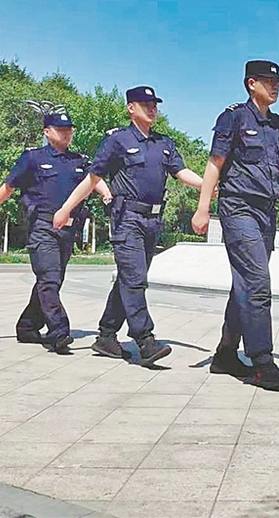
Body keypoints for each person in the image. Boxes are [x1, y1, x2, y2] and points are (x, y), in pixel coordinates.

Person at [192, 60, 279, 389]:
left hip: (267, 212)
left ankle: (225, 353)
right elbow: (214, 164)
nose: (275, 86)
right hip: (238, 209)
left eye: (278, 81)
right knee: (258, 283)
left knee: (245, 285)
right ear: (251, 84)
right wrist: (202, 209)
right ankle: (262, 361)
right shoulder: (233, 118)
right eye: (268, 81)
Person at [54, 85, 204, 368]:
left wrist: (208, 185)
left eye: (155, 104)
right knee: (135, 279)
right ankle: (144, 340)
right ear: (131, 108)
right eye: (145, 104)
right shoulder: (117, 141)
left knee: (128, 278)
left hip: (153, 221)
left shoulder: (164, 143)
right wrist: (66, 208)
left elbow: (181, 173)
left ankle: (107, 336)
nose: (152, 109)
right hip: (127, 220)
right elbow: (92, 178)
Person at [0, 111, 111, 354]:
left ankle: (27, 327)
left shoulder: (78, 160)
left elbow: (93, 179)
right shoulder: (33, 158)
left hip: (68, 230)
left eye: (69, 129)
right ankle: (59, 331)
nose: (66, 133)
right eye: (61, 129)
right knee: (49, 278)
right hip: (42, 227)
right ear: (47, 132)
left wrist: (106, 193)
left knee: (52, 281)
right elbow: (8, 187)